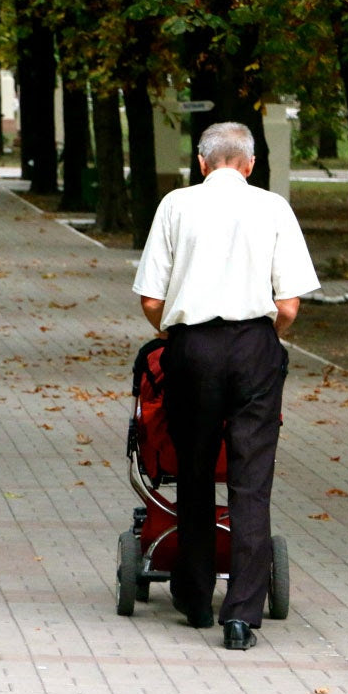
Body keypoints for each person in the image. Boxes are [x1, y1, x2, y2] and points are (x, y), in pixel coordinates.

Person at [132, 121, 319, 651]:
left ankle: (193, 600)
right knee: (250, 480)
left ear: (201, 161)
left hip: (191, 349)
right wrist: (263, 338)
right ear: (251, 164)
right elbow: (289, 304)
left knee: (192, 470)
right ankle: (241, 614)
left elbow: (150, 299)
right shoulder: (274, 208)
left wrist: (182, 336)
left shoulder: (176, 206)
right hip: (256, 347)